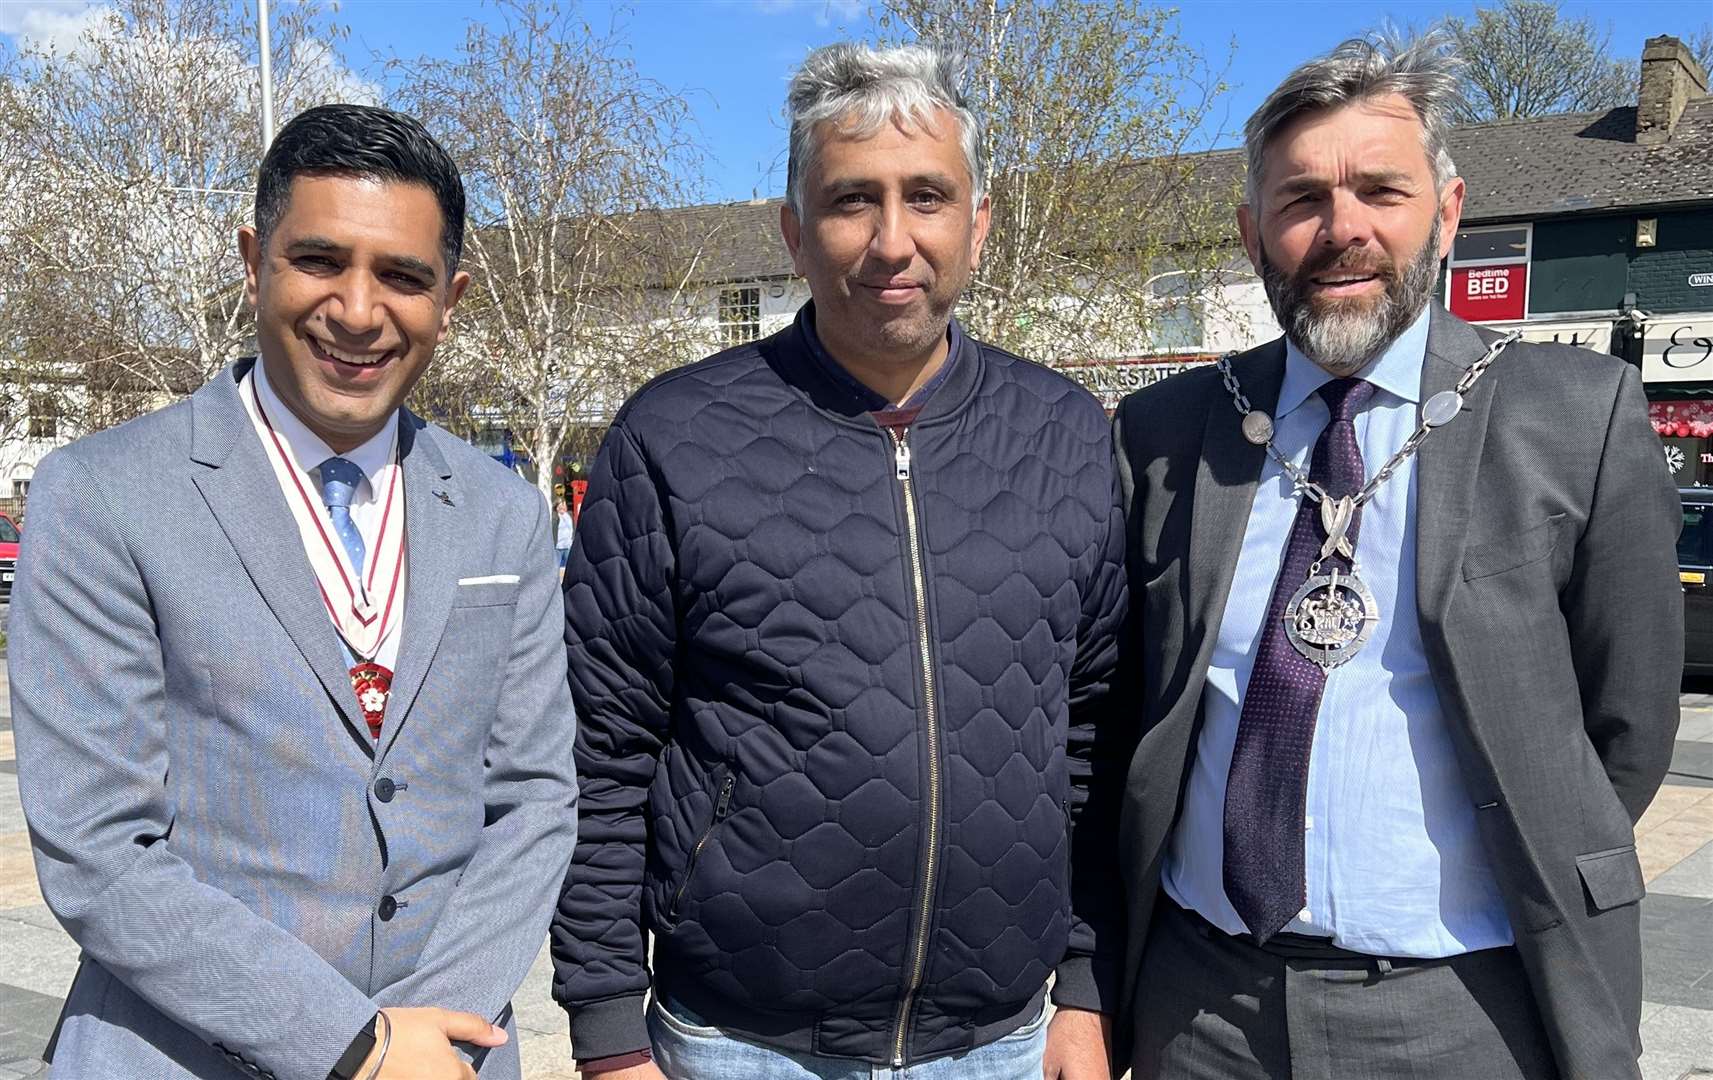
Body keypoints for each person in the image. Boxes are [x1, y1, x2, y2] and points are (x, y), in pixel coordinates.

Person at [1109, 33, 1682, 1080]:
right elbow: (1117, 723)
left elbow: (1629, 730)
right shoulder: (1166, 432)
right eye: (1301, 201)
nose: (1344, 231)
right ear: (1251, 234)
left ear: (1449, 212)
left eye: (1382, 190)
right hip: (1199, 1008)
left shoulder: (1575, 418)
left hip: (1466, 1008)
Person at [553, 42, 1127, 1080]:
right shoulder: (676, 439)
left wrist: (1085, 988)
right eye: (852, 200)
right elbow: (603, 749)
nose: (892, 241)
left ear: (978, 224)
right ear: (794, 231)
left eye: (928, 197)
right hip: (738, 1045)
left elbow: (1091, 736)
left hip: (1001, 1044)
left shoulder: (1067, 436)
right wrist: (604, 1026)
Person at [8, 104, 578, 1080]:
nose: (359, 311)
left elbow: (534, 798)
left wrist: (428, 1034)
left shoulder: (502, 513)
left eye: (403, 276)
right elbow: (98, 847)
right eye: (320, 261)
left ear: (451, 297)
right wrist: (355, 1045)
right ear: (254, 259)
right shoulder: (102, 496)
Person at [556, 499, 575, 569]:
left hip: (567, 546)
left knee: (569, 567)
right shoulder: (555, 517)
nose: (562, 508)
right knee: (558, 567)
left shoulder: (568, 516)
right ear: (557, 507)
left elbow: (571, 529)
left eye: (564, 505)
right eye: (560, 506)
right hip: (558, 547)